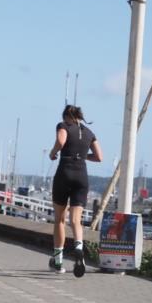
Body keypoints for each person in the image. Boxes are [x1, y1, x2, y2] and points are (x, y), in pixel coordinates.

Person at [48, 104, 103, 276]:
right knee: (76, 221)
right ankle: (79, 248)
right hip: (82, 176)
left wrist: (53, 152)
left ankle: (58, 262)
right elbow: (99, 157)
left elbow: (61, 140)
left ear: (66, 116)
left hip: (65, 173)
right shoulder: (89, 133)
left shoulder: (63, 126)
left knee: (59, 220)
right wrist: (81, 155)